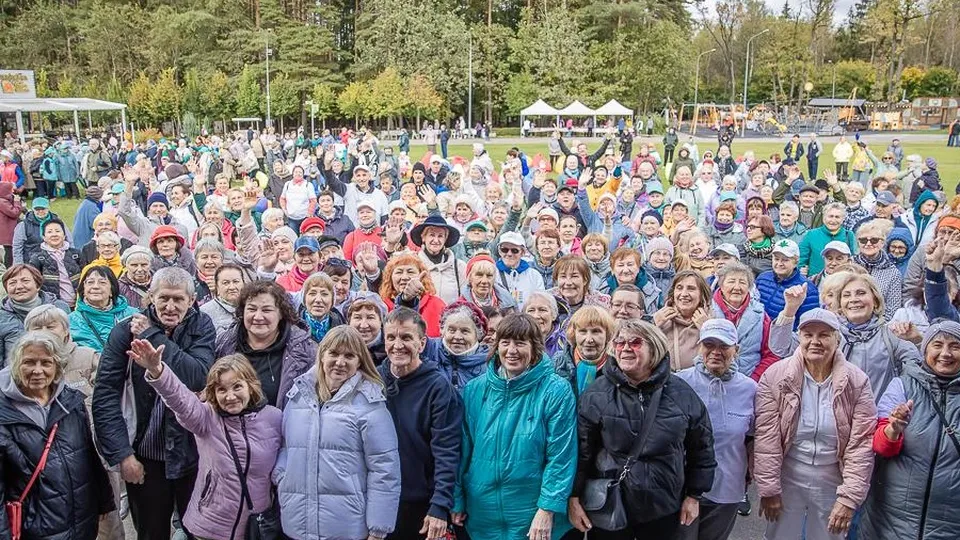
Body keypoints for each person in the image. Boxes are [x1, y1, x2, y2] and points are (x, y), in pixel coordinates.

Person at [92, 267, 216, 540]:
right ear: (150, 297)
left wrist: (153, 336)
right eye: (163, 299)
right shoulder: (124, 331)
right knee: (151, 532)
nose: (170, 307)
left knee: (197, 531)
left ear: (192, 300)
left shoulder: (202, 326)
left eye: (178, 300)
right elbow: (105, 396)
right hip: (145, 456)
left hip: (191, 454)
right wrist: (122, 455)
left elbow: (197, 376)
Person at [570, 319, 716, 538]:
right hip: (611, 503)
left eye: (635, 343)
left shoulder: (681, 394)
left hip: (663, 505)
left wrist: (694, 495)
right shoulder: (597, 393)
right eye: (619, 343)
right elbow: (581, 452)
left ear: (654, 349)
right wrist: (574, 498)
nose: (626, 348)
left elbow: (702, 448)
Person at [451, 313, 578, 540]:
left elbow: (561, 456)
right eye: (505, 342)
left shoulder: (556, 390)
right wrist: (458, 498)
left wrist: (547, 509)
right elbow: (463, 449)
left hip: (532, 517)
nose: (512, 351)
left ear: (535, 347)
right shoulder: (475, 390)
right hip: (482, 515)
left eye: (520, 343)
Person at [755, 308, 877, 540]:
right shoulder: (775, 376)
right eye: (808, 335)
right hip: (789, 472)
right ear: (798, 337)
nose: (815, 341)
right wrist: (769, 488)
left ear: (837, 339)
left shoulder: (857, 381)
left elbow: (861, 443)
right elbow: (766, 437)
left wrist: (849, 497)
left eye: (824, 335)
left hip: (832, 475)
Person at [135, 350, 282, 540]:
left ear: (251, 386)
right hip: (210, 527)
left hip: (256, 528)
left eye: (237, 387)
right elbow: (181, 400)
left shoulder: (275, 418)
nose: (230, 396)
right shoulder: (206, 418)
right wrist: (158, 371)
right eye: (221, 390)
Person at [274, 325, 401, 539]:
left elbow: (384, 470)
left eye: (349, 356)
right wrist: (282, 476)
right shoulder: (298, 396)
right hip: (298, 522)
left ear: (359, 361)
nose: (340, 362)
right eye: (333, 353)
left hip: (346, 526)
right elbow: (285, 446)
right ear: (322, 355)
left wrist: (378, 529)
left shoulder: (370, 404)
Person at [0, 330, 115, 539]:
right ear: (16, 365)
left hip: (81, 519)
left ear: (58, 367)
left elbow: (88, 453)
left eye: (46, 363)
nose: (37, 371)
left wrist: (103, 499)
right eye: (29, 362)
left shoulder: (71, 402)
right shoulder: (4, 412)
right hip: (32, 525)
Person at [861, 321, 960, 540]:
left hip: (950, 523)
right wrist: (893, 429)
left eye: (955, 346)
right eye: (938, 345)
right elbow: (880, 446)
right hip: (891, 520)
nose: (946, 353)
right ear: (925, 349)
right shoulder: (902, 386)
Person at [377, 308, 463, 539]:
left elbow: (447, 450)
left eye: (406, 337)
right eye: (391, 337)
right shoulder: (373, 380)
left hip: (418, 502)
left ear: (422, 343)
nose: (397, 345)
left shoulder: (438, 387)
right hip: (376, 497)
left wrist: (440, 504)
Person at [676, 319, 757, 540]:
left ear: (736, 350)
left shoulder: (750, 389)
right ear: (699, 347)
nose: (715, 352)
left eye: (724, 346)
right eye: (709, 345)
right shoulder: (679, 382)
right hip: (683, 486)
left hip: (727, 487)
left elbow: (752, 438)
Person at [215, 280, 318, 409]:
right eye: (252, 309)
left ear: (281, 313)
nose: (258, 316)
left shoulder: (306, 350)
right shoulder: (224, 344)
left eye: (266, 310)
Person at [711, 263, 779, 381]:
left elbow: (772, 354)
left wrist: (754, 379)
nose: (737, 287)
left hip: (749, 381)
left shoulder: (761, 315)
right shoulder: (706, 311)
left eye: (742, 282)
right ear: (721, 285)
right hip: (711, 380)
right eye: (731, 281)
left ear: (749, 287)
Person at [0, 264, 70, 365]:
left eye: (25, 281)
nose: (19, 286)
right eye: (12, 283)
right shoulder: (2, 317)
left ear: (37, 285)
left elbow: (70, 342)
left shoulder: (59, 307)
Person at [68, 265, 139, 353]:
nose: (96, 287)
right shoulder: (70, 321)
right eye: (90, 282)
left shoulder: (133, 315)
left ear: (112, 289)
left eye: (102, 282)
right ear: (84, 289)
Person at [422, 301, 489, 393]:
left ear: (478, 334)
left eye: (465, 331)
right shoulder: (429, 350)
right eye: (452, 330)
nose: (457, 337)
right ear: (443, 331)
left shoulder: (489, 364)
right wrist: (407, 302)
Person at [551, 305, 616, 398]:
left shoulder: (617, 366)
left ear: (607, 334)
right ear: (574, 334)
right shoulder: (558, 362)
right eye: (583, 331)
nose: (589, 339)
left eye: (596, 331)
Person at [653, 270, 712, 371]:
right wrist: (652, 325)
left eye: (691, 289)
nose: (684, 294)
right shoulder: (660, 318)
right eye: (679, 288)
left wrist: (707, 329)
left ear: (701, 295)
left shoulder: (712, 321)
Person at [381, 254, 447, 337]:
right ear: (390, 278)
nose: (404, 277)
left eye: (410, 272)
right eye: (399, 272)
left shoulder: (437, 305)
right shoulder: (382, 307)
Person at [756, 239, 820, 322]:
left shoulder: (807, 288)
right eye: (776, 259)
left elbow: (808, 323)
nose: (779, 263)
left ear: (796, 262)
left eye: (785, 260)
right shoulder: (762, 278)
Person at [853, 219, 903, 320]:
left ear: (882, 243)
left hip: (879, 325)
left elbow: (893, 309)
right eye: (863, 240)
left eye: (874, 240)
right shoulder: (849, 266)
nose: (868, 243)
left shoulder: (892, 272)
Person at [411, 215, 466, 305]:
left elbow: (464, 299)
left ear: (445, 239)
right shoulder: (413, 264)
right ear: (423, 238)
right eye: (432, 235)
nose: (436, 240)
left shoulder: (459, 266)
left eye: (440, 236)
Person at [28, 218, 82, 307]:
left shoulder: (76, 254)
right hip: (53, 306)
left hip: (78, 303)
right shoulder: (38, 258)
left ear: (64, 235)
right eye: (49, 232)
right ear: (44, 237)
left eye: (57, 231)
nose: (54, 234)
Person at [799, 203, 857, 276]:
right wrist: (801, 269)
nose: (833, 220)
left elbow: (854, 258)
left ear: (843, 219)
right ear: (824, 218)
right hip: (816, 281)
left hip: (841, 279)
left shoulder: (849, 235)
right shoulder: (811, 234)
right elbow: (801, 258)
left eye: (837, 217)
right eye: (830, 216)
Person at [199, 262, 247, 337]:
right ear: (217, 287)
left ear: (243, 283)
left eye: (236, 282)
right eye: (226, 283)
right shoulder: (204, 313)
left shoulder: (250, 308)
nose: (232, 287)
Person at [298, 271, 346, 343]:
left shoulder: (342, 327)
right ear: (304, 299)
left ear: (332, 300)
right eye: (312, 293)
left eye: (324, 294)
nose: (318, 300)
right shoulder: (293, 327)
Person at [523, 291, 567, 358]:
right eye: (531, 310)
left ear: (554, 315)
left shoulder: (566, 342)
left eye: (542, 310)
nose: (536, 316)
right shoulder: (518, 340)